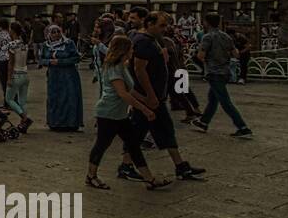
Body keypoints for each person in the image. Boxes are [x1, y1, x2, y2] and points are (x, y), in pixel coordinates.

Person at [121, 12, 206, 181]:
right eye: (161, 26)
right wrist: (150, 95)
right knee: (139, 132)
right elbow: (139, 70)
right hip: (148, 98)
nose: (164, 29)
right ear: (150, 24)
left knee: (163, 130)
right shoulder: (143, 42)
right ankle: (126, 165)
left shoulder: (150, 40)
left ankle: (180, 166)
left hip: (155, 97)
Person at [86, 35, 172, 190]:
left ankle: (149, 179)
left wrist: (146, 100)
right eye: (131, 48)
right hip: (108, 113)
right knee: (102, 144)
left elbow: (130, 90)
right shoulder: (114, 68)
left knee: (133, 145)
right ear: (124, 50)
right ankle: (91, 176)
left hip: (119, 114)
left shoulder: (121, 66)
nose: (133, 51)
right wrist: (144, 109)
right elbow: (123, 93)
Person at [191, 12, 253, 137]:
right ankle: (204, 122)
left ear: (207, 23)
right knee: (213, 99)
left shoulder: (207, 37)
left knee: (225, 101)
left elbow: (200, 56)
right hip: (225, 71)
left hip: (214, 72)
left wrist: (208, 59)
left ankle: (242, 127)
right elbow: (236, 54)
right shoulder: (226, 37)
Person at [39, 23, 82, 132]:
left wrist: (61, 62)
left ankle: (71, 123)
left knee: (69, 98)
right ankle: (55, 123)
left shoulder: (68, 43)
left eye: (58, 32)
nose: (56, 34)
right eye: (53, 32)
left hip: (68, 76)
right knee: (55, 98)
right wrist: (49, 62)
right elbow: (41, 60)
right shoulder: (46, 46)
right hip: (54, 77)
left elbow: (76, 58)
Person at [3, 20, 33, 133]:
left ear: (12, 30)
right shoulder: (24, 44)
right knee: (23, 101)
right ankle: (23, 123)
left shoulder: (12, 45)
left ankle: (25, 119)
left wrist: (9, 78)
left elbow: (10, 63)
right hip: (25, 74)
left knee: (9, 99)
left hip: (16, 74)